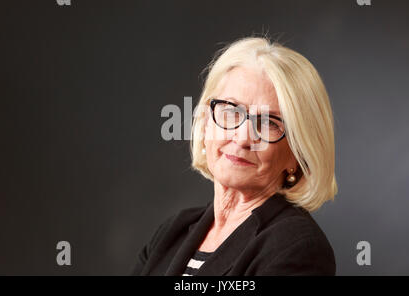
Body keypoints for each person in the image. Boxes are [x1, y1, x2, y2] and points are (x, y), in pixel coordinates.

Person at [132, 36, 338, 276]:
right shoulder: (173, 231)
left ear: (297, 154)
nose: (242, 138)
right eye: (231, 111)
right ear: (206, 121)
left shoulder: (299, 248)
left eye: (268, 123)